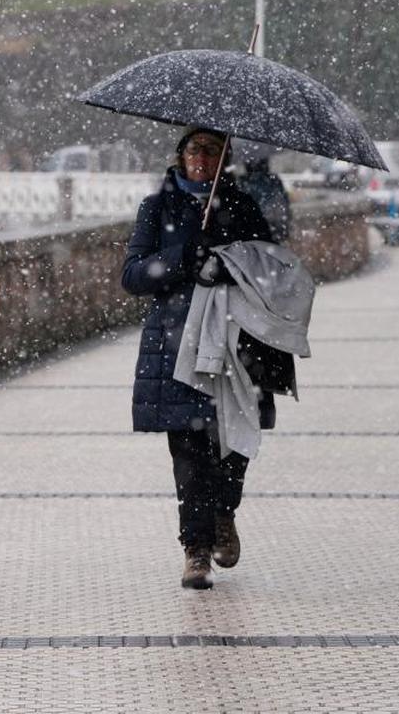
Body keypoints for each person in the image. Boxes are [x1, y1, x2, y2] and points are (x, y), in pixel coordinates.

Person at [121, 126, 278, 590]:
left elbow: (270, 269)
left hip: (235, 341)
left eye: (211, 151)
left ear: (225, 157)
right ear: (180, 155)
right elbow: (133, 274)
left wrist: (231, 263)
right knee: (188, 449)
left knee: (232, 442)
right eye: (194, 150)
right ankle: (195, 548)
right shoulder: (157, 208)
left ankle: (224, 512)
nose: (201, 159)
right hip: (176, 343)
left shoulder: (243, 206)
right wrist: (181, 257)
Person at [237, 156, 292, 243]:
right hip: (271, 224)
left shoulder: (242, 181)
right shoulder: (273, 180)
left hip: (250, 226)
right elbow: (284, 204)